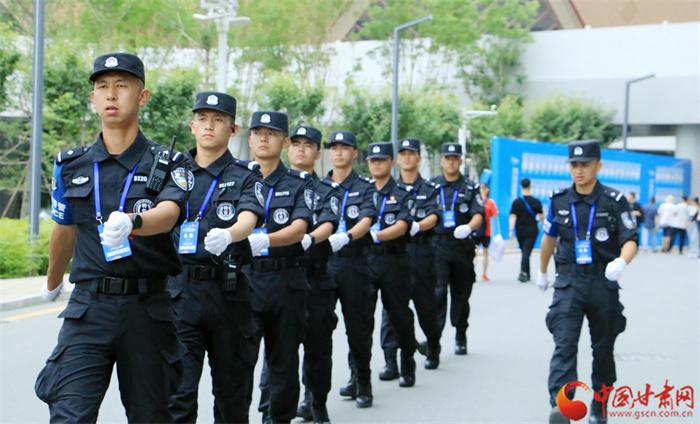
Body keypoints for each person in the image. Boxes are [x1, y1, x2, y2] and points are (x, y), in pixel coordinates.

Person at [35, 52, 189, 423]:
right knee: (69, 414)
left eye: (122, 85)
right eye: (102, 87)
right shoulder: (70, 165)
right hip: (88, 308)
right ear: (93, 98)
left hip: (147, 309)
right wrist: (53, 282)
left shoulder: (168, 162)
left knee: (151, 415)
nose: (111, 94)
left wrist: (134, 222)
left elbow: (168, 214)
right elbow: (64, 228)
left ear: (142, 96)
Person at [167, 92, 264, 423]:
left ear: (232, 129)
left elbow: (249, 217)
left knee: (231, 396)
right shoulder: (173, 172)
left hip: (228, 294)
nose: (209, 126)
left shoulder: (246, 174)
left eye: (218, 120)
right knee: (178, 395)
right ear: (192, 126)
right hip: (181, 295)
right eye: (203, 119)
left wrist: (230, 234)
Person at [537, 140, 638, 424]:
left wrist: (622, 262)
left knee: (603, 349)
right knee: (564, 344)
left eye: (585, 165)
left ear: (598, 166)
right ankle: (562, 405)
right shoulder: (559, 199)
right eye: (574, 165)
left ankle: (600, 405)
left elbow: (631, 239)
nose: (579, 170)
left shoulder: (614, 201)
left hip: (602, 282)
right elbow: (549, 238)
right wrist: (542, 272)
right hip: (569, 282)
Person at [244, 111, 314, 424]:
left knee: (283, 360)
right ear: (249, 139)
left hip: (284, 278)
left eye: (271, 134)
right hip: (244, 280)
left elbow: (299, 228)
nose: (263, 139)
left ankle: (278, 418)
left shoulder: (298, 183)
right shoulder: (237, 179)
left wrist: (266, 240)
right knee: (238, 361)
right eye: (258, 133)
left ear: (284, 142)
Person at [288, 125, 340, 424]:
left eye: (308, 145)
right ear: (288, 147)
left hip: (315, 278)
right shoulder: (270, 185)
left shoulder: (327, 190)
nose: (301, 149)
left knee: (318, 347)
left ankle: (316, 402)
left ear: (318, 154)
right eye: (296, 143)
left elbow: (329, 223)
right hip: (282, 277)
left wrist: (309, 238)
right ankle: (275, 410)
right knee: (280, 349)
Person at [378, 138, 442, 376]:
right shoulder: (387, 189)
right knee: (391, 308)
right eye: (402, 153)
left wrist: (417, 226)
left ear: (418, 158)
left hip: (420, 251)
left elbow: (434, 216)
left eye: (411, 153)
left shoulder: (429, 189)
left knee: (425, 306)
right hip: (393, 253)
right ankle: (391, 360)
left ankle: (432, 344)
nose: (406, 157)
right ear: (397, 159)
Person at [324, 131, 377, 408]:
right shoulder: (319, 185)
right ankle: (313, 396)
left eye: (344, 148)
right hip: (325, 264)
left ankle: (362, 381)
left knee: (358, 327)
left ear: (354, 153)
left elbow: (367, 219)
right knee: (318, 328)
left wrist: (348, 236)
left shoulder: (366, 186)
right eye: (334, 148)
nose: (339, 153)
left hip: (355, 262)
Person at [362, 141, 419, 391]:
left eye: (382, 160)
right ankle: (373, 369)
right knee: (361, 318)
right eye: (372, 160)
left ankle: (407, 361)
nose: (376, 164)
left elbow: (402, 226)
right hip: (365, 260)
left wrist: (375, 235)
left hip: (393, 260)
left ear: (391, 163)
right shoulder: (362, 191)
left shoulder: (403, 193)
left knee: (398, 314)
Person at [430, 143, 484, 355]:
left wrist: (469, 227)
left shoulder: (470, 187)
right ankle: (434, 340)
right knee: (438, 292)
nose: (451, 162)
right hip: (438, 244)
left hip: (461, 246)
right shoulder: (432, 185)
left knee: (461, 294)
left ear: (460, 161)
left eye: (455, 158)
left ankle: (461, 332)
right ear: (442, 161)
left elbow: (478, 213)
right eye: (447, 158)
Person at [509, 178, 544, 282]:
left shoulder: (516, 202)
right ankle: (525, 272)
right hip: (532, 229)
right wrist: (546, 225)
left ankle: (524, 272)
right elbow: (542, 216)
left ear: (521, 187)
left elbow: (512, 216)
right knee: (526, 251)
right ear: (530, 186)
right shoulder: (536, 202)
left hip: (520, 229)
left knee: (524, 251)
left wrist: (511, 229)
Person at [474, 183, 498, 281]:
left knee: (474, 253)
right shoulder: (490, 202)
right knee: (485, 253)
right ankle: (484, 274)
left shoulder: (475, 201)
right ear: (487, 189)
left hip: (475, 230)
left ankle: (473, 273)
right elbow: (495, 216)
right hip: (486, 231)